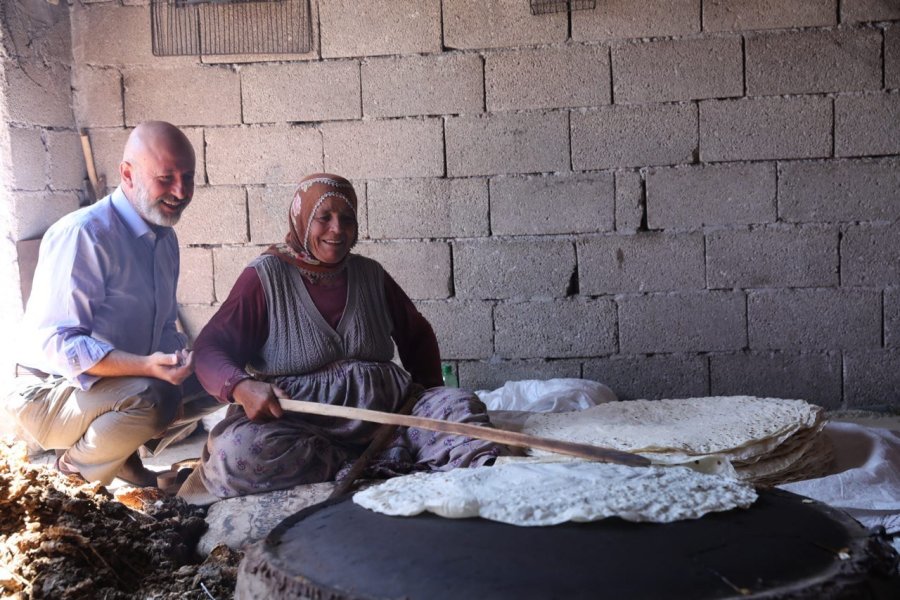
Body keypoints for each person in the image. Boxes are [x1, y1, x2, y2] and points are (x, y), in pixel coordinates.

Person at [191, 173, 507, 499]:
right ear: (302, 220)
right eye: (323, 218)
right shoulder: (265, 277)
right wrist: (241, 387)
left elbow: (417, 334)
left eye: (347, 219)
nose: (337, 229)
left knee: (460, 408)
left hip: (390, 415)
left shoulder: (370, 274)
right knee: (237, 454)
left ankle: (397, 448)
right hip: (301, 428)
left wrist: (430, 399)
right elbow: (208, 348)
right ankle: (358, 460)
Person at [6, 121, 221, 487]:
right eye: (166, 178)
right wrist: (147, 368)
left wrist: (179, 361)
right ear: (127, 173)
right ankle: (74, 469)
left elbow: (166, 328)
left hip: (115, 387)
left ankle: (123, 459)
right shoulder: (84, 234)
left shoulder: (163, 239)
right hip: (48, 392)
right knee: (154, 397)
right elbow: (60, 346)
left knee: (221, 376)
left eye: (188, 177)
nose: (181, 191)